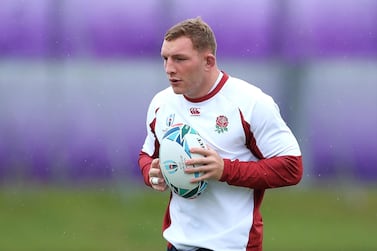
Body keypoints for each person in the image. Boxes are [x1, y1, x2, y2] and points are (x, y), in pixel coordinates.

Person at [138, 17, 303, 251]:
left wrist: (225, 170)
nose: (169, 68)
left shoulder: (251, 103)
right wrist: (152, 172)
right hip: (178, 243)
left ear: (208, 61)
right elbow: (147, 154)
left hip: (233, 245)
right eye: (165, 58)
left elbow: (292, 167)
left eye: (180, 59)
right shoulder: (161, 103)